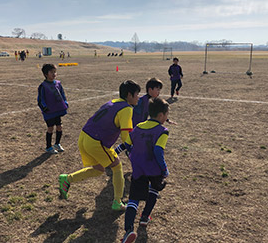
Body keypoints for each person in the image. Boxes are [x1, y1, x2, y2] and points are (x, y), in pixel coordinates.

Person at [58, 80, 141, 211]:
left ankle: (67, 179)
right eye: (137, 94)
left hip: (84, 137)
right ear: (129, 95)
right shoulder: (127, 109)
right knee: (117, 166)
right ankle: (117, 202)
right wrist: (135, 148)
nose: (138, 97)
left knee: (99, 169)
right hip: (96, 141)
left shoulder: (112, 102)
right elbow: (126, 136)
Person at [121, 97, 170, 243]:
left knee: (133, 198)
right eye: (167, 114)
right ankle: (144, 217)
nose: (167, 118)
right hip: (153, 168)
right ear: (161, 115)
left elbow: (128, 144)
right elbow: (157, 150)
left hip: (138, 167)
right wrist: (164, 168)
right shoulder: (163, 131)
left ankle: (129, 229)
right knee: (154, 190)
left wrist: (133, 155)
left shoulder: (139, 126)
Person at [37, 64, 68, 154]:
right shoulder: (43, 86)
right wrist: (44, 108)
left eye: (55, 72)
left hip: (57, 110)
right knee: (50, 128)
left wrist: (65, 102)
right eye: (51, 72)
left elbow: (62, 94)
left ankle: (57, 143)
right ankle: (48, 147)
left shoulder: (58, 83)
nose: (54, 74)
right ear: (46, 74)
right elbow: (40, 99)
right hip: (49, 112)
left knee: (59, 127)